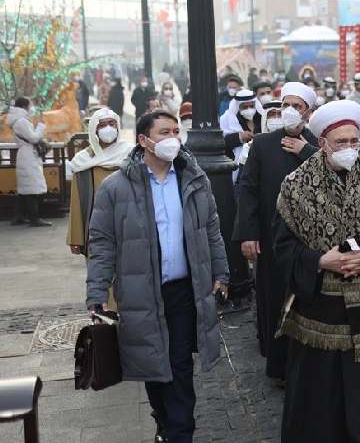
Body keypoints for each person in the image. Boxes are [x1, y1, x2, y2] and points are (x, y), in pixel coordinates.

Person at [86, 109, 229, 443]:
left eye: (176, 131)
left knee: (178, 364)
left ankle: (181, 432)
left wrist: (220, 272)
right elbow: (103, 243)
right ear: (144, 140)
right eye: (164, 132)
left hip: (184, 291)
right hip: (141, 292)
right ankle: (163, 420)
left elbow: (211, 229)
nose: (172, 139)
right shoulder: (115, 187)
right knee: (153, 365)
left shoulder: (193, 178)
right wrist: (96, 294)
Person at [273, 99, 360, 443]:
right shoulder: (296, 184)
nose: (349, 148)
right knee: (320, 400)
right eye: (340, 142)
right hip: (320, 312)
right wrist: (318, 261)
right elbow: (282, 246)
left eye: (354, 141)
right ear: (322, 142)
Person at [236, 82, 319, 384]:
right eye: (286, 105)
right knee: (273, 299)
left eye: (298, 107)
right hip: (271, 239)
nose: (290, 112)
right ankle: (279, 367)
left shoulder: (317, 143)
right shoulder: (262, 144)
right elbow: (248, 191)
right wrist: (248, 234)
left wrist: (307, 151)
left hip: (310, 242)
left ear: (308, 112)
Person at [67, 108, 133, 309]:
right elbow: (78, 201)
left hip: (129, 226)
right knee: (102, 277)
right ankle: (107, 320)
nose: (108, 129)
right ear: (94, 130)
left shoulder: (130, 155)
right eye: (102, 125)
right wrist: (77, 237)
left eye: (111, 124)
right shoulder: (83, 162)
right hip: (96, 230)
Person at [8, 97, 52, 227]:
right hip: (27, 156)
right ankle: (34, 217)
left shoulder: (19, 120)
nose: (31, 107)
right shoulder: (21, 121)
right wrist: (40, 127)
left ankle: (18, 216)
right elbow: (33, 138)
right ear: (24, 106)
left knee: (25, 189)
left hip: (26, 155)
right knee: (31, 188)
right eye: (30, 105)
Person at [220, 89, 262, 181]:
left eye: (251, 106)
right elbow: (221, 144)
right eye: (245, 107)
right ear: (238, 107)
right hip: (238, 166)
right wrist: (239, 137)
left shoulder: (262, 117)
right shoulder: (227, 120)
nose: (249, 110)